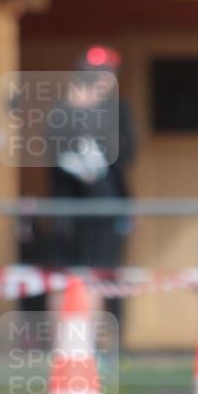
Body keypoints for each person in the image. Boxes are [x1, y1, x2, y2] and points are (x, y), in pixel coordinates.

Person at [48, 45, 136, 327]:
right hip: (68, 210)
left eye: (106, 74)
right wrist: (77, 113)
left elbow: (128, 153)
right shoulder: (61, 113)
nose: (100, 81)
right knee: (65, 277)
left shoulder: (119, 111)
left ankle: (91, 348)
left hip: (105, 208)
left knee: (100, 275)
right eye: (93, 75)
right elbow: (54, 153)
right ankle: (62, 347)